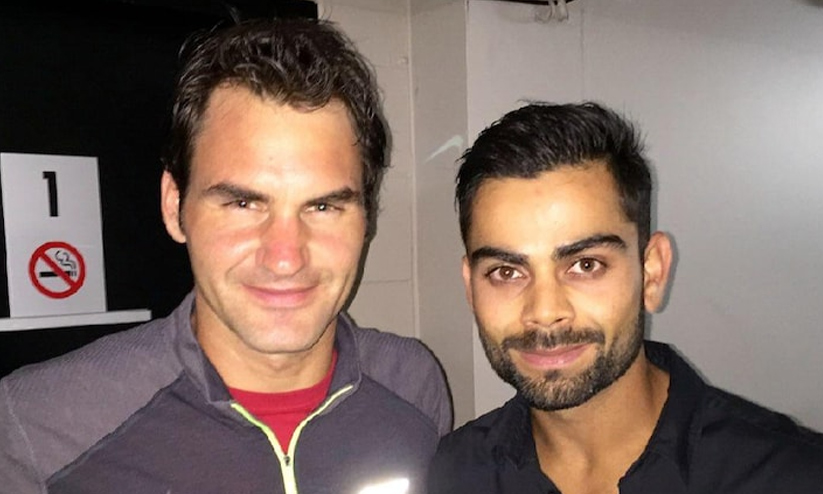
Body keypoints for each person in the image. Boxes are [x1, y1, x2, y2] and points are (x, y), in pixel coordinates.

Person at [0, 19, 451, 494]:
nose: (285, 258)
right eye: (243, 203)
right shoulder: (40, 427)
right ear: (174, 207)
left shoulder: (413, 384)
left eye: (322, 207)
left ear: (366, 218)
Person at [427, 102, 823, 493]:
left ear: (652, 272)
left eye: (585, 265)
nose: (545, 312)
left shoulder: (795, 478)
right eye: (506, 272)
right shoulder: (453, 475)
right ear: (470, 287)